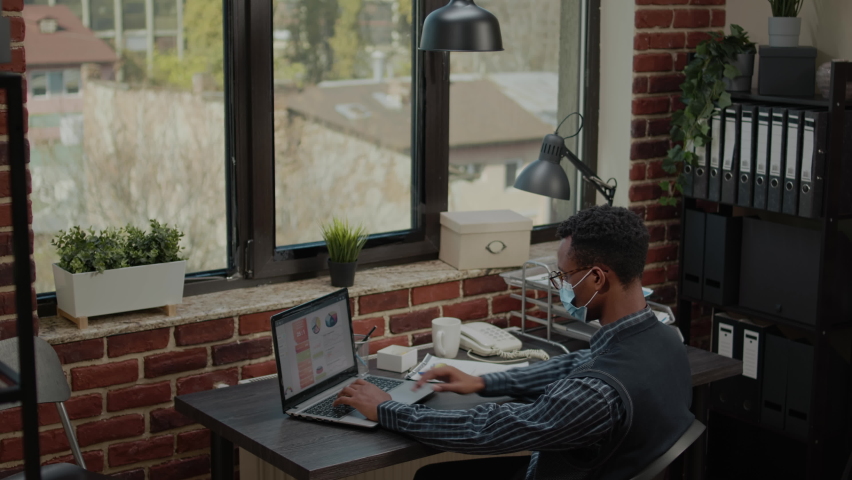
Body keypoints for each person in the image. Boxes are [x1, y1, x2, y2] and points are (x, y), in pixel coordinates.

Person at [334, 205, 693, 480]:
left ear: (598, 277)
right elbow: (577, 364)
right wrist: (486, 381)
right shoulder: (663, 337)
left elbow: (488, 431)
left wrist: (386, 409)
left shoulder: (595, 394)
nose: (560, 287)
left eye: (564, 276)